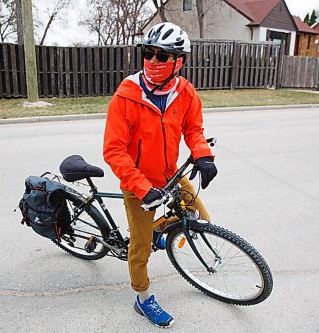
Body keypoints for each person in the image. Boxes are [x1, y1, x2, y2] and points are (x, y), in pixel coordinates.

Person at [103, 22, 217, 328]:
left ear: (178, 61)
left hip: (170, 175)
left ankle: (159, 230)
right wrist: (141, 188)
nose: (152, 61)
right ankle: (142, 299)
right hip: (137, 183)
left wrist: (204, 155)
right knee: (139, 248)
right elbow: (114, 151)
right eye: (148, 53)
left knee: (199, 216)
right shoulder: (126, 97)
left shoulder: (186, 93)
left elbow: (194, 131)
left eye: (161, 55)